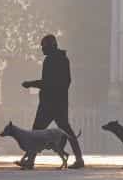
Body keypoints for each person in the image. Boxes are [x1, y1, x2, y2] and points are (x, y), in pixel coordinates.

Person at [20, 34, 85, 169]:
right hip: (60, 102)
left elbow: (47, 83)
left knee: (36, 132)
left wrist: (31, 83)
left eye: (44, 46)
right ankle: (79, 159)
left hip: (48, 103)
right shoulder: (63, 59)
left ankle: (30, 161)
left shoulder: (50, 61)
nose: (42, 49)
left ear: (51, 46)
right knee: (66, 130)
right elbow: (66, 82)